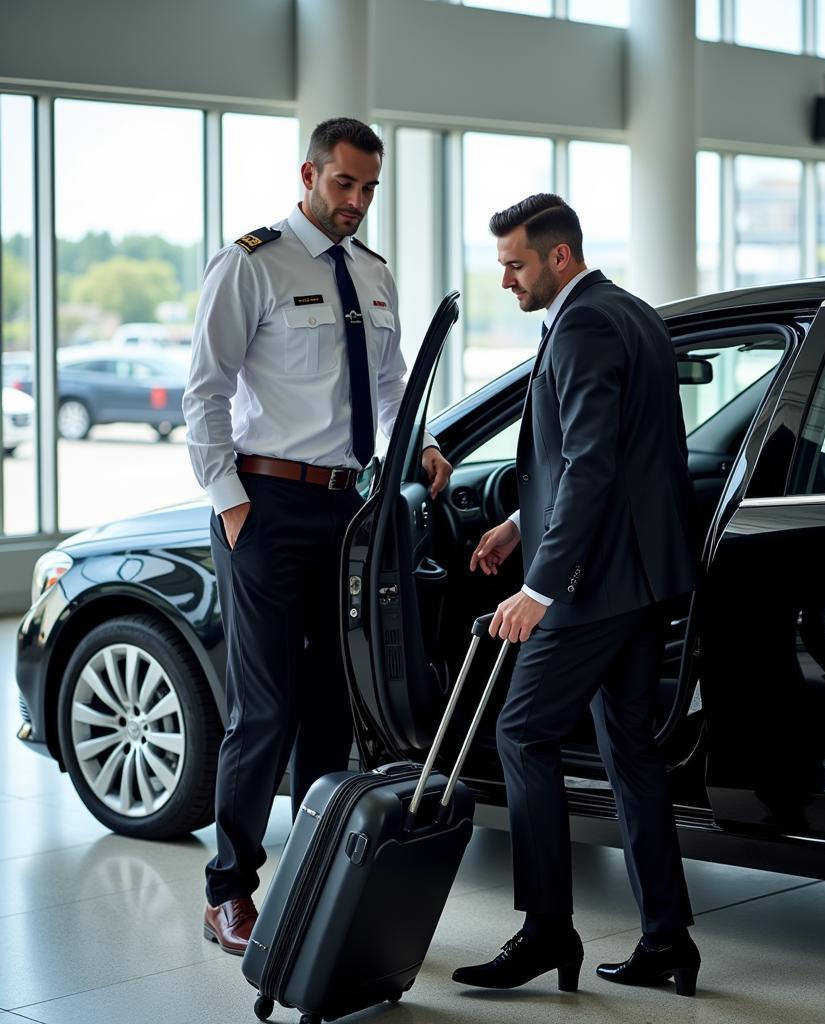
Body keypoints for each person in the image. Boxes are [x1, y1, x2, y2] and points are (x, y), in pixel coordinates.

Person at [183, 117, 452, 956]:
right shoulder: (252, 262)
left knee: (335, 701)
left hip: (346, 509)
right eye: (345, 185)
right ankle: (229, 888)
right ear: (310, 175)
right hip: (263, 505)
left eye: (370, 189)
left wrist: (424, 439)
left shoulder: (372, 274)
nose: (358, 203)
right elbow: (204, 391)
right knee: (264, 707)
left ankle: (311, 877)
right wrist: (230, 504)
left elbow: (387, 377)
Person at [453, 194, 701, 996]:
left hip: (592, 587)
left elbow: (592, 464)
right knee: (632, 755)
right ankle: (667, 941)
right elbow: (610, 455)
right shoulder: (632, 314)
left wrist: (539, 588)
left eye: (515, 265)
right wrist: (521, 523)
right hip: (640, 578)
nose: (506, 280)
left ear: (559, 257)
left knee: (524, 735)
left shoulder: (584, 325)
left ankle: (546, 931)